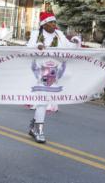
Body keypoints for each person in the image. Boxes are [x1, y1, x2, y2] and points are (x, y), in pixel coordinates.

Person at [26, 12, 81, 143]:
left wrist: (75, 41)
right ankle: (38, 130)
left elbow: (69, 48)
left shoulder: (59, 35)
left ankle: (34, 126)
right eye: (51, 22)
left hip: (56, 71)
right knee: (43, 100)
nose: (54, 25)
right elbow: (28, 47)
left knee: (43, 100)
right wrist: (37, 46)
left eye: (55, 22)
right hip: (40, 71)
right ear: (44, 24)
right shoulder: (36, 34)